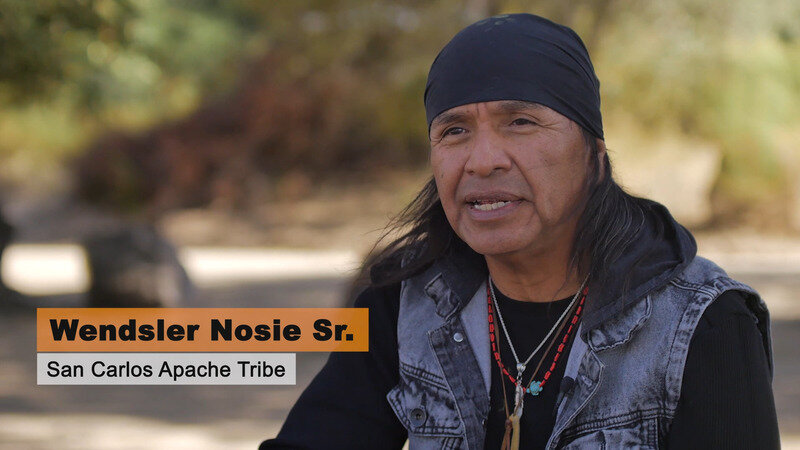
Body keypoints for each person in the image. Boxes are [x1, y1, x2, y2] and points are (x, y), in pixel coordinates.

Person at [260, 13, 780, 449]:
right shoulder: (403, 306)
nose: (482, 161)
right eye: (454, 131)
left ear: (595, 156)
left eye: (521, 122)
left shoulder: (703, 325)